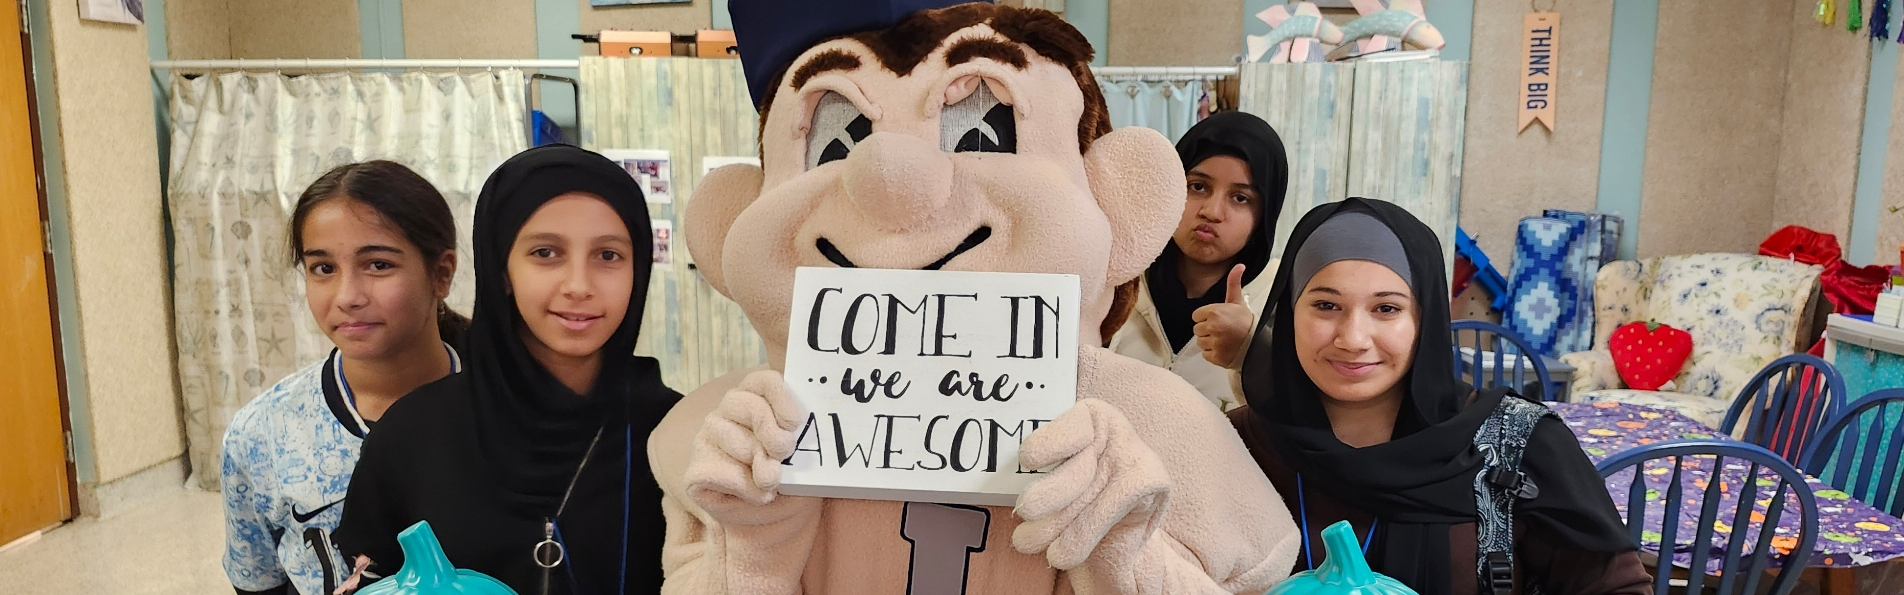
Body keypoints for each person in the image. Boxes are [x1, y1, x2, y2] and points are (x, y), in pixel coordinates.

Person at [1228, 198, 1651, 595]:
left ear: (1424, 320)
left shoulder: (1519, 446)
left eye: (1386, 309)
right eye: (1325, 305)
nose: (1353, 339)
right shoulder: (1238, 445)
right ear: (1289, 314)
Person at [333, 145, 681, 595]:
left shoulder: (676, 434)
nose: (579, 286)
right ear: (502, 270)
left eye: (608, 255)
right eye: (545, 252)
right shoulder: (410, 436)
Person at [221, 160, 468, 595]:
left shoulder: (508, 408)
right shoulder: (261, 434)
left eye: (377, 265)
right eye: (323, 269)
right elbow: (258, 582)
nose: (347, 297)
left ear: (441, 273)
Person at [1109, 111, 1287, 411]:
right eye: (1198, 187)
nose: (1213, 211)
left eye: (1240, 198)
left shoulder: (1284, 303)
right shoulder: (1117, 282)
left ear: (1265, 215)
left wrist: (1248, 352)